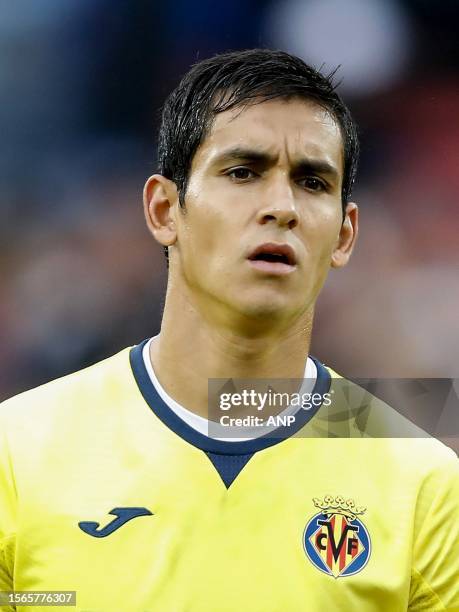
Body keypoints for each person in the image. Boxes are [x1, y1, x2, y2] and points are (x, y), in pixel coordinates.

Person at [0, 49, 458, 611]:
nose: (281, 207)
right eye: (243, 172)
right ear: (165, 209)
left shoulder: (424, 485)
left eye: (313, 182)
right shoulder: (17, 454)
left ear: (344, 234)